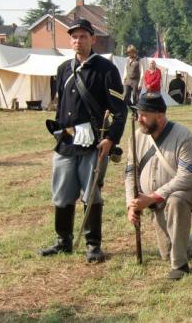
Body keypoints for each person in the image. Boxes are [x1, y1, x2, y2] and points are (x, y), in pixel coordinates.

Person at [38, 18, 127, 263]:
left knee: (91, 196)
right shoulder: (64, 69)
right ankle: (63, 240)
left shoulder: (106, 70)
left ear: (92, 39)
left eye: (83, 37)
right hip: (66, 141)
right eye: (74, 37)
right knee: (62, 193)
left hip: (93, 143)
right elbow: (61, 107)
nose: (78, 41)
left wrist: (110, 139)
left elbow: (120, 110)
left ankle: (93, 245)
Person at [125, 92, 192, 279]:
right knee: (168, 252)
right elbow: (131, 172)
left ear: (160, 116)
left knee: (176, 200)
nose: (139, 118)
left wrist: (152, 197)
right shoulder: (136, 137)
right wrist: (131, 204)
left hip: (181, 195)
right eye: (138, 113)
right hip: (153, 203)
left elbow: (186, 177)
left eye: (144, 114)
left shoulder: (183, 136)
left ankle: (180, 265)